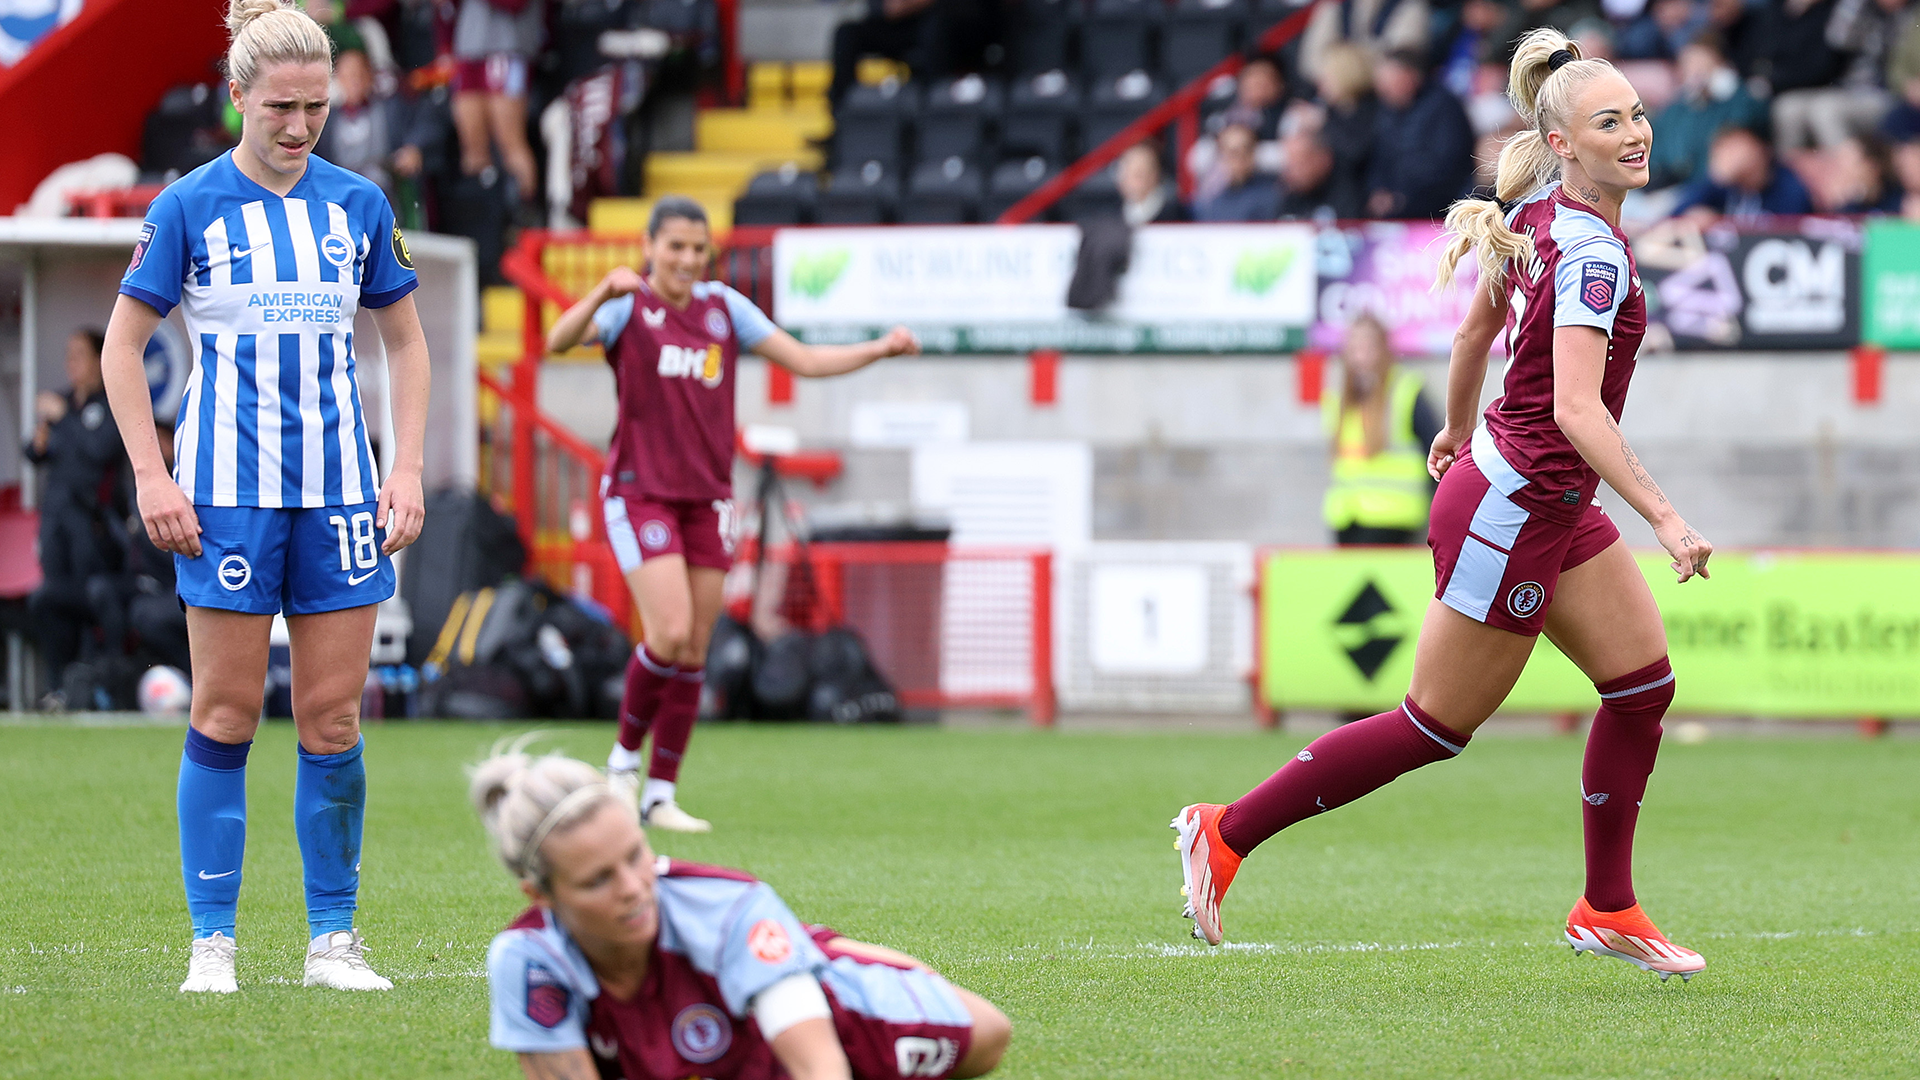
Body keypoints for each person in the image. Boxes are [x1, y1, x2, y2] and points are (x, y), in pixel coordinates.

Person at [1173, 28, 1716, 984]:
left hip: (1533, 491)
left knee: (1641, 688)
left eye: (1636, 113)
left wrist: (1460, 427)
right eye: (1610, 121)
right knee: (1433, 727)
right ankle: (1224, 831)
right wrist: (1666, 518)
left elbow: (1472, 334)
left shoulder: (1541, 217)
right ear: (1562, 143)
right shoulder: (1587, 253)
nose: (1636, 132)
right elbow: (1576, 408)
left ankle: (1607, 906)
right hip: (1516, 507)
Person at [102, 0, 431, 994]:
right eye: (280, 107)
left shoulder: (359, 205)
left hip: (339, 497)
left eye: (316, 109)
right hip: (225, 497)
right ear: (236, 98)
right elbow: (123, 347)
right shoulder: (188, 207)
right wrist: (154, 475)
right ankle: (214, 945)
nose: (297, 127)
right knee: (227, 712)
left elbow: (406, 344)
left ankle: (334, 943)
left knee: (333, 720)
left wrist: (403, 467)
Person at [544, 197, 919, 834]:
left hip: (708, 497)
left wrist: (879, 348)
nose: (688, 259)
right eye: (675, 247)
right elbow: (557, 341)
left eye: (698, 248)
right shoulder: (626, 306)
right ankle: (620, 766)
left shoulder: (725, 309)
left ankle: (660, 794)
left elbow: (804, 360)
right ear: (650, 245)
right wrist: (601, 288)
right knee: (667, 630)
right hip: (641, 493)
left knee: (693, 648)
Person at [473, 746, 1012, 1079]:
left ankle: (810, 954)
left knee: (987, 1035)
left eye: (637, 856)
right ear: (540, 897)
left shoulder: (730, 911)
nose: (635, 888)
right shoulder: (526, 961)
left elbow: (820, 1069)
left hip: (832, 1011)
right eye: (597, 880)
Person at [24, 328, 130, 701]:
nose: (71, 363)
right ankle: (59, 686)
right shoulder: (64, 403)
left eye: (80, 354)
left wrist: (65, 415)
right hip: (55, 521)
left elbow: (99, 450)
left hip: (93, 525)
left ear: (99, 361)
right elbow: (34, 454)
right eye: (68, 355)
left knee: (92, 598)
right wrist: (43, 432)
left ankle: (100, 687)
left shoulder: (107, 404)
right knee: (50, 597)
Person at [1322, 313, 1440, 545]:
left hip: (1394, 519)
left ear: (1384, 351)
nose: (1361, 358)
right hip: (1346, 517)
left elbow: (1436, 455)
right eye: (1355, 349)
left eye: (1369, 348)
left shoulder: (1406, 391)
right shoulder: (1338, 399)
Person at [1367, 49, 1477, 219]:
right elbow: (1379, 159)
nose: (1383, 90)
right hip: (1395, 209)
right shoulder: (1386, 112)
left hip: (1437, 211)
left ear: (1412, 76)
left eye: (1390, 82)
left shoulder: (1444, 107)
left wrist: (1401, 198)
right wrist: (1377, 191)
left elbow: (1448, 166)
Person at [1648, 35, 1770, 188]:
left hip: (1718, 188)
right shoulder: (1677, 108)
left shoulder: (1740, 99)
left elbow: (1747, 124)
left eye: (1702, 64)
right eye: (1689, 65)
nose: (1696, 72)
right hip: (1671, 186)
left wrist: (1728, 91)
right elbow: (1659, 151)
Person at [1672, 125, 1816, 219]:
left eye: (1734, 149)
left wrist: (1722, 222)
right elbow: (1677, 214)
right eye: (1722, 152)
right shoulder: (1723, 186)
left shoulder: (1786, 184)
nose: (1729, 158)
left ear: (1759, 148)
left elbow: (1792, 228)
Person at [1191, 123, 1278, 222]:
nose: (1240, 158)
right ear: (1222, 155)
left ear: (1254, 152)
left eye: (1246, 149)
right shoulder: (1210, 203)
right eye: (1233, 152)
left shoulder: (1274, 195)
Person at [1116, 143, 1188, 226]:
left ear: (1154, 175)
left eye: (1138, 174)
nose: (1129, 182)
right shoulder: (1112, 213)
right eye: (1127, 175)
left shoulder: (1172, 214)